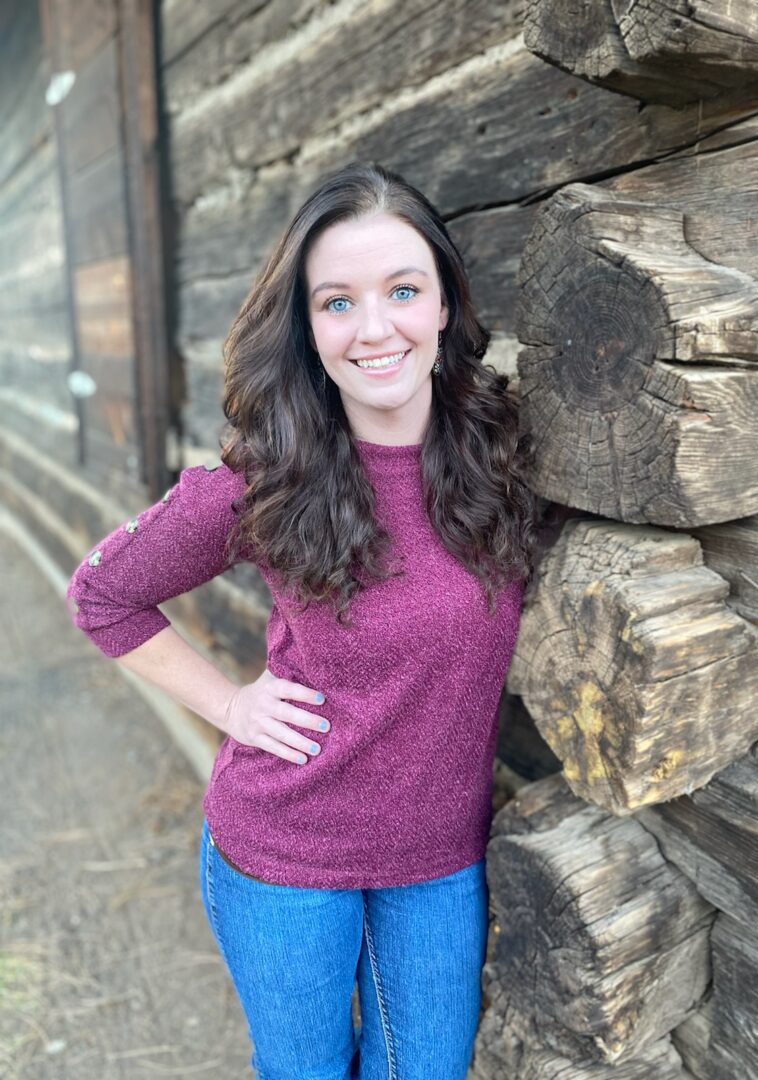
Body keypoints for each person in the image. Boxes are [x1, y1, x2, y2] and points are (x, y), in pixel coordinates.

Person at [65, 160, 540, 1080]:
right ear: (308, 327)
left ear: (444, 304)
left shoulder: (503, 456)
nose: (373, 329)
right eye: (336, 302)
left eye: (403, 290)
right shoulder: (264, 479)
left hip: (439, 859)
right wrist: (230, 706)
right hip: (285, 856)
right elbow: (102, 593)